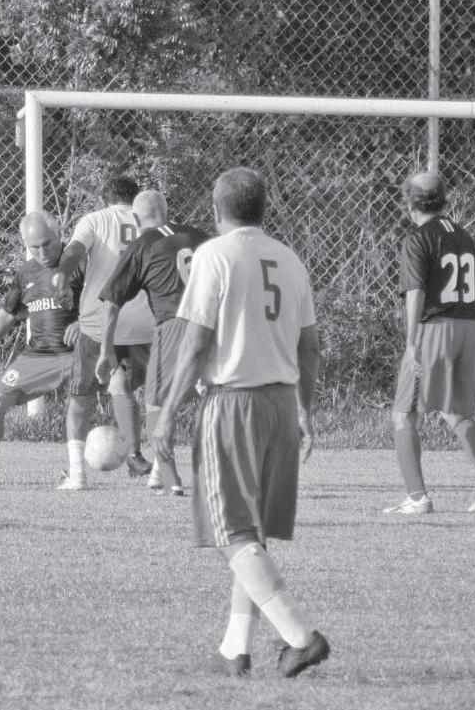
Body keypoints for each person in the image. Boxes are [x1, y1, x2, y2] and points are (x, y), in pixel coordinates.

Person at [150, 167, 329, 678]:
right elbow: (310, 347)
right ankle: (235, 648)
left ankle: (301, 637)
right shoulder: (290, 259)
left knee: (231, 532)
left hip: (233, 404)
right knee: (251, 533)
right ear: (263, 209)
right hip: (280, 404)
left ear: (216, 209)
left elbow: (196, 343)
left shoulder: (214, 255)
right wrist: (305, 409)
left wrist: (167, 412)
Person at [383, 172, 475, 515]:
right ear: (445, 200)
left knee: (403, 413)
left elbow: (416, 291)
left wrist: (411, 342)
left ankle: (416, 497)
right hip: (470, 325)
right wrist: (463, 320)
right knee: (454, 409)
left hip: (436, 328)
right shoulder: (462, 234)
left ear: (409, 204)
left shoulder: (418, 237)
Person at [96, 189, 209, 495]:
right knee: (215, 396)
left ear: (136, 218)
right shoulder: (200, 236)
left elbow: (111, 302)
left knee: (156, 402)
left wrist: (106, 351)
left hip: (175, 324)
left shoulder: (142, 244)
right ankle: (186, 473)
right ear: (167, 211)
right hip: (216, 323)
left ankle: (172, 482)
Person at [53, 176, 155, 491]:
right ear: (135, 199)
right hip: (143, 324)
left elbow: (74, 251)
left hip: (99, 323)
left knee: (80, 395)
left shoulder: (95, 219)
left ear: (104, 199)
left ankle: (77, 475)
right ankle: (137, 456)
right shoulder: (150, 221)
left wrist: (61, 278)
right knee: (129, 388)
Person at [0, 211, 83, 484]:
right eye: (35, 247)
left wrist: (84, 323)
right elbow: (8, 312)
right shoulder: (25, 273)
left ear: (60, 235)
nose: (42, 252)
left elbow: (108, 300)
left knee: (83, 402)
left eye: (47, 244)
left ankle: (132, 457)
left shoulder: (80, 263)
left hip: (80, 353)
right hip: (39, 355)